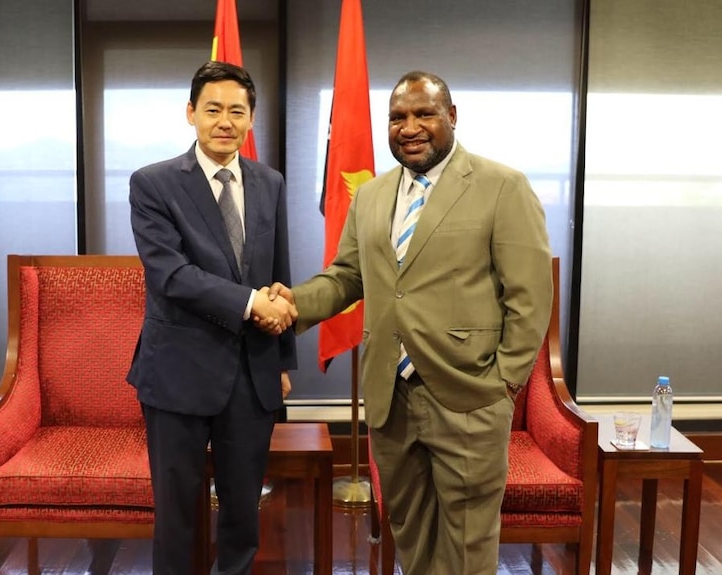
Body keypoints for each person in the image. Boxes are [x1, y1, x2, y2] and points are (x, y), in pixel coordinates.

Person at [269, 71, 552, 574]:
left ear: (452, 117)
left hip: (469, 395)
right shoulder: (372, 195)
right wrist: (293, 303)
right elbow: (347, 277)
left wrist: (502, 384)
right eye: (398, 117)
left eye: (424, 113)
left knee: (466, 550)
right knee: (413, 539)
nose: (410, 126)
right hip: (390, 397)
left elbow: (529, 299)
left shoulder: (502, 186)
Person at [127, 60, 297, 575]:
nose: (226, 121)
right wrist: (249, 304)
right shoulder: (153, 183)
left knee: (244, 511)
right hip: (177, 371)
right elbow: (170, 275)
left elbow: (278, 273)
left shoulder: (269, 182)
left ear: (251, 119)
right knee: (177, 513)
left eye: (237, 111)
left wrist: (283, 360)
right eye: (213, 109)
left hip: (252, 371)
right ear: (191, 113)